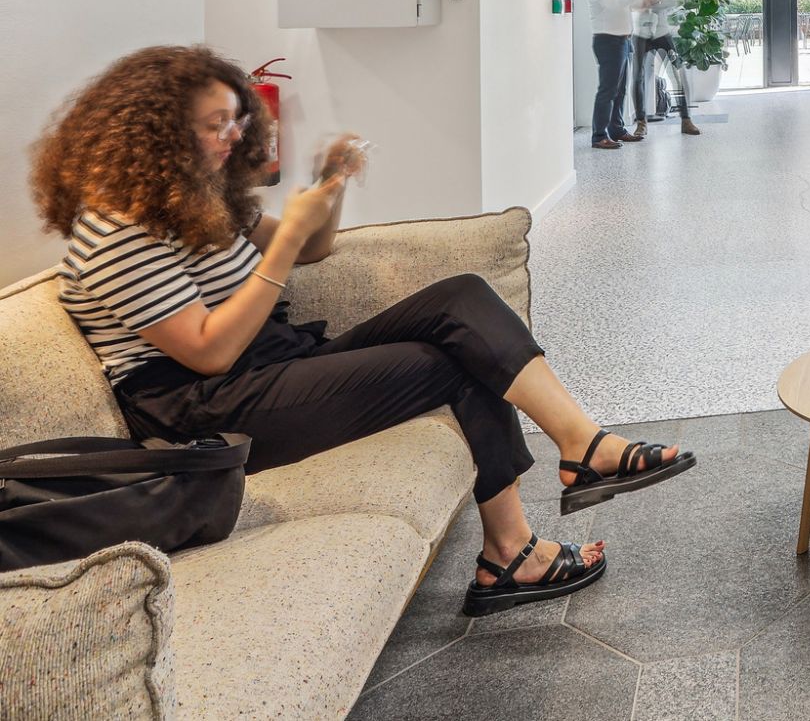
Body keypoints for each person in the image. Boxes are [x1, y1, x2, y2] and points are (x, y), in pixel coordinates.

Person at [30, 46, 693, 618]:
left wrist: (331, 185)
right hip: (205, 409)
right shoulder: (114, 233)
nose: (233, 134)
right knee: (449, 362)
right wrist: (284, 239)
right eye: (215, 124)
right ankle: (512, 551)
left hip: (271, 365)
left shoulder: (194, 199)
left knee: (461, 301)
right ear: (156, 135)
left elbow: (312, 249)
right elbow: (210, 350)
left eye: (236, 117)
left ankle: (580, 447)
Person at [631, 0, 699, 138]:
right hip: (641, 33)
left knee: (677, 74)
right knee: (638, 77)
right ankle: (641, 123)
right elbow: (630, 2)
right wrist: (642, 0)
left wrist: (657, 0)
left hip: (662, 31)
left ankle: (686, 120)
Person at [585, 0, 644, 150]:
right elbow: (616, 5)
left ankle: (617, 130)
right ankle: (599, 136)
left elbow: (622, 7)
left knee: (619, 91)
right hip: (609, 42)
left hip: (621, 42)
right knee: (608, 91)